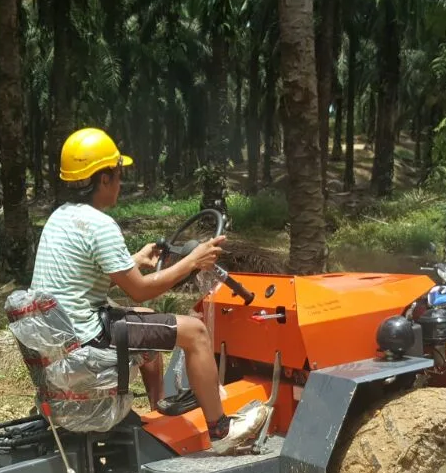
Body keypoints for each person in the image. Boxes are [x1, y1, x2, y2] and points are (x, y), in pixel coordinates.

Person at [30, 128, 269, 455]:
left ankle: (158, 413)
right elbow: (141, 291)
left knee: (145, 324)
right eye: (118, 174)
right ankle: (222, 431)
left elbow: (84, 279)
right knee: (196, 332)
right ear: (103, 179)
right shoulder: (100, 226)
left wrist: (135, 260)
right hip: (86, 337)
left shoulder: (61, 218)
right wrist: (193, 262)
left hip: (64, 333)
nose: (120, 181)